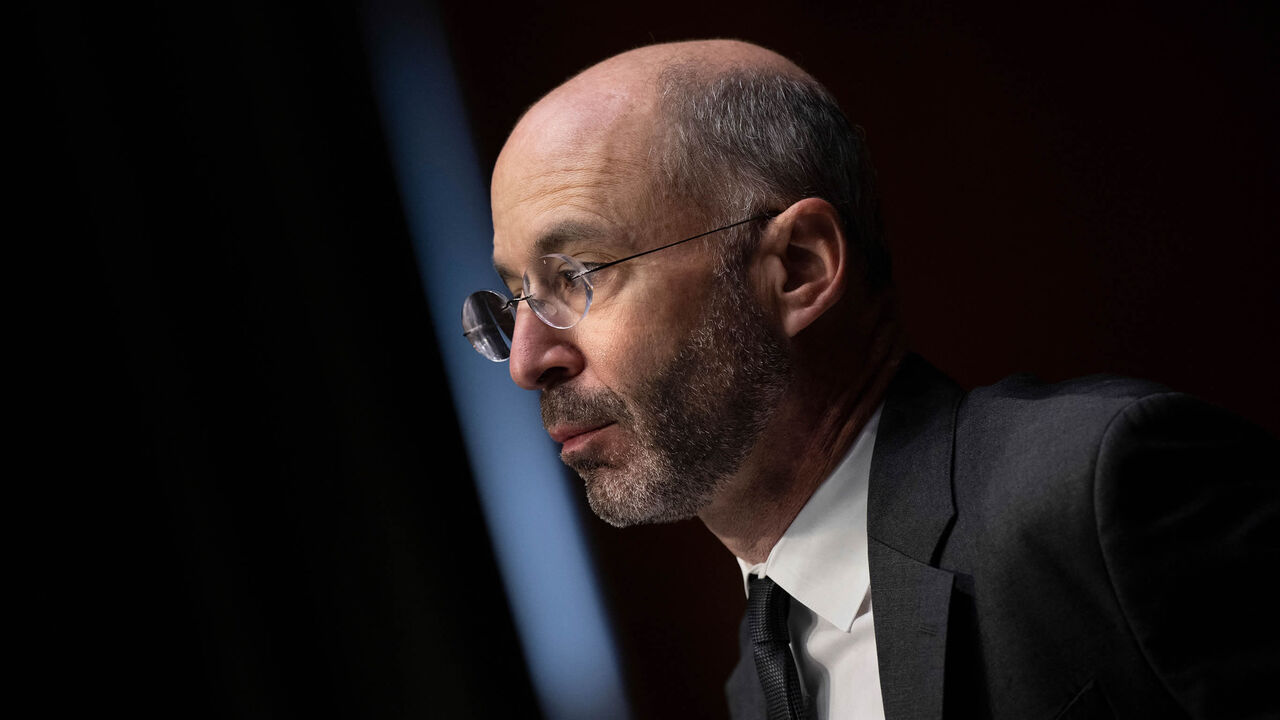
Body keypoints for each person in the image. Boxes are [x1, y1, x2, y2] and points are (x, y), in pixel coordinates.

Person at [460, 40, 1277, 720]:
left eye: (577, 274)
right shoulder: (756, 682)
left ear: (798, 268)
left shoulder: (1100, 493)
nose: (530, 359)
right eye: (516, 295)